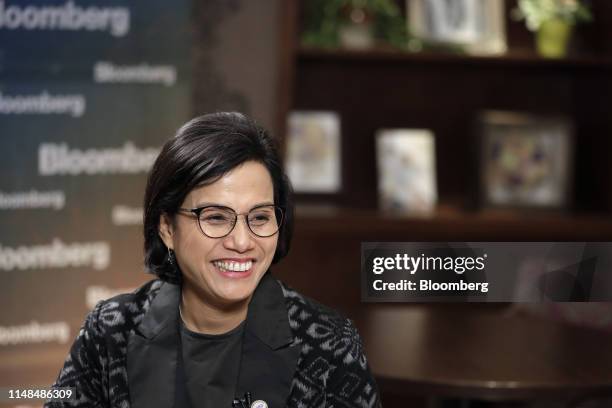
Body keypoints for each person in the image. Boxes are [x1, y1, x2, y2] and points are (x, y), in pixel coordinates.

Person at [46, 112, 381, 408]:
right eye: (216, 217)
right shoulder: (110, 330)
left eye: (260, 217)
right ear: (167, 228)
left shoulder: (330, 345)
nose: (241, 241)